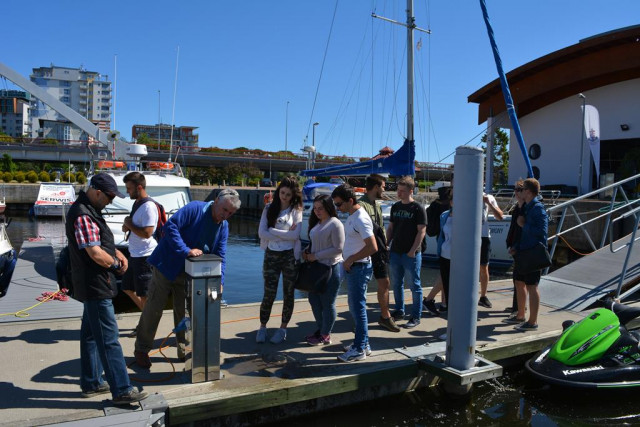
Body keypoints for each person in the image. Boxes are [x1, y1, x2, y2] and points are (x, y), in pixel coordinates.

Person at [65, 173, 147, 405]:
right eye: (110, 197)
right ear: (97, 192)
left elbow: (101, 244)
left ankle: (91, 382)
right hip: (96, 285)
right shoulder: (82, 214)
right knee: (109, 339)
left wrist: (117, 253)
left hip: (93, 283)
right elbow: (94, 252)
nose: (111, 201)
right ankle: (121, 389)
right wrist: (116, 265)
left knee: (91, 336)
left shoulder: (89, 210)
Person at [134, 189, 241, 368]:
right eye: (224, 210)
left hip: (190, 272)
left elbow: (220, 254)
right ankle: (142, 349)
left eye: (230, 213)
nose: (225, 215)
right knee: (154, 307)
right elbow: (170, 227)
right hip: (166, 264)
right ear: (216, 201)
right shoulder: (195, 209)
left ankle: (183, 350)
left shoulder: (223, 227)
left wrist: (219, 282)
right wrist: (186, 250)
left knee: (183, 312)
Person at [332, 184, 377, 362]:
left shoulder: (360, 218)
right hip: (354, 268)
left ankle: (359, 349)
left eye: (339, 204)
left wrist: (350, 259)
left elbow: (373, 247)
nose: (337, 208)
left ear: (350, 201)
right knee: (356, 307)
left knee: (358, 309)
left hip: (359, 268)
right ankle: (363, 344)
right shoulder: (352, 215)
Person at [256, 176, 303, 344]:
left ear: (293, 196)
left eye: (288, 194)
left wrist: (274, 231)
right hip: (271, 255)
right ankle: (262, 327)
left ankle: (283, 329)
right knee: (269, 293)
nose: (284, 196)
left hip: (289, 256)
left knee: (288, 293)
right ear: (278, 192)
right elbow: (262, 233)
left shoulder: (296, 211)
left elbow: (295, 236)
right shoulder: (269, 208)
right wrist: (284, 235)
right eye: (282, 192)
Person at [358, 174, 400, 333]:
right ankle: (360, 320)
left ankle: (385, 316)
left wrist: (385, 245)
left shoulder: (376, 204)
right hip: (366, 251)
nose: (384, 189)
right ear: (375, 187)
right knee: (361, 287)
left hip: (379, 250)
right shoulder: (361, 205)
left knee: (385, 283)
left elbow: (380, 228)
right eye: (383, 186)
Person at [507, 178, 548, 331]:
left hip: (533, 253)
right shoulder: (528, 207)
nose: (519, 191)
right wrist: (516, 246)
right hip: (524, 251)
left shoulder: (537, 208)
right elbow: (524, 234)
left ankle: (533, 322)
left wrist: (524, 224)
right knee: (520, 282)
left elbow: (542, 233)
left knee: (532, 286)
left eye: (522, 189)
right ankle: (521, 315)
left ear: (528, 192)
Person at [303, 194, 344, 345]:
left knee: (327, 303)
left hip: (331, 268)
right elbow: (314, 242)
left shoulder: (335, 223)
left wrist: (316, 255)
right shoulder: (318, 223)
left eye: (320, 208)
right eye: (315, 209)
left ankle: (326, 334)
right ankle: (321, 330)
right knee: (313, 299)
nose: (317, 211)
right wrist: (307, 251)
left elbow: (339, 249)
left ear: (328, 207)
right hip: (317, 269)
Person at [387, 177, 426, 329]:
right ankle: (399, 310)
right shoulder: (395, 207)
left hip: (411, 254)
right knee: (396, 283)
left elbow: (421, 231)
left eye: (402, 191)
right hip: (396, 251)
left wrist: (413, 250)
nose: (399, 193)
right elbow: (391, 228)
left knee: (414, 285)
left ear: (411, 191)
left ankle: (416, 316)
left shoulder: (418, 208)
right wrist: (386, 243)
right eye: (398, 190)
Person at [121, 172, 158, 315]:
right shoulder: (137, 203)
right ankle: (147, 318)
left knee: (144, 295)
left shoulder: (149, 207)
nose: (127, 191)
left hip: (145, 257)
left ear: (139, 187)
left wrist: (129, 224)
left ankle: (145, 325)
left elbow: (147, 233)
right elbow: (135, 226)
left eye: (129, 188)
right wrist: (128, 226)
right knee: (126, 287)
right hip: (135, 255)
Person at [422, 185, 452, 315]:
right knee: (445, 278)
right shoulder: (445, 214)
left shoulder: (437, 207)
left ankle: (443, 303)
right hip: (446, 250)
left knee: (446, 278)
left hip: (445, 249)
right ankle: (432, 300)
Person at [478, 190, 504, 309]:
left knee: (484, 266)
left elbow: (500, 216)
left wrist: (489, 203)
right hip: (468, 237)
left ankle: (483, 296)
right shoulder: (466, 195)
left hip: (483, 236)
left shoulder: (489, 197)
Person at [505, 180, 526, 318]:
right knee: (516, 279)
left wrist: (516, 246)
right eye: (515, 189)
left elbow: (524, 230)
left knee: (520, 279)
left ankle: (518, 309)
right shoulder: (517, 208)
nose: (516, 192)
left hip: (522, 248)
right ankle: (517, 306)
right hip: (515, 246)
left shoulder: (526, 209)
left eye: (519, 190)